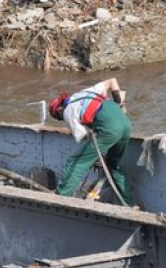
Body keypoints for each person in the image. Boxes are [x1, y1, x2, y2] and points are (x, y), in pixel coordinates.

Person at [48, 78, 135, 206]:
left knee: (76, 162)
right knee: (114, 166)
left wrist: (95, 157)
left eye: (59, 117)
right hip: (126, 125)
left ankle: (62, 197)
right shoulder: (86, 92)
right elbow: (112, 81)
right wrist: (118, 102)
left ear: (59, 110)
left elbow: (85, 136)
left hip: (110, 129)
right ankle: (129, 203)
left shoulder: (68, 112)